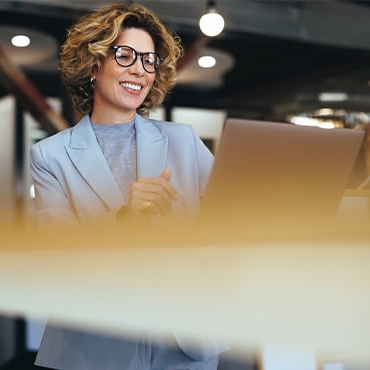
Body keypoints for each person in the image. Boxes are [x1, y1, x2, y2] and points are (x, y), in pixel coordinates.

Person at [29, 2, 228, 369]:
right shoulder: (51, 156)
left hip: (183, 344)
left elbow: (230, 220)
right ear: (93, 65)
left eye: (149, 60)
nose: (140, 68)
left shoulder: (184, 141)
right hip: (94, 348)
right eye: (125, 55)